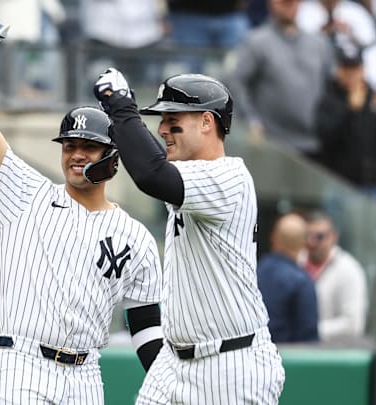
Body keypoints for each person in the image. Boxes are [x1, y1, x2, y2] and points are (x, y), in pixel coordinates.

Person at [0, 16, 164, 403]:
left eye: (88, 146)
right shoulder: (24, 194)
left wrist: (169, 385)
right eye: (69, 145)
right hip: (21, 365)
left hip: (86, 374)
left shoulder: (135, 236)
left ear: (113, 157)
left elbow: (145, 325)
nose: (76, 154)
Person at [93, 69, 284, 403]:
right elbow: (155, 164)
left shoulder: (228, 177)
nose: (163, 129)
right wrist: (124, 114)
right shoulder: (189, 171)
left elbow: (151, 174)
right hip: (176, 363)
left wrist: (122, 107)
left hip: (229, 365)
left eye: (172, 118)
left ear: (207, 122)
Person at [226, 0, 333, 158]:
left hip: (314, 142)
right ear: (271, 3)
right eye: (283, 2)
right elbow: (236, 83)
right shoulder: (256, 41)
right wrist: (251, 120)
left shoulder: (319, 43)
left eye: (293, 2)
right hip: (272, 142)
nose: (289, 4)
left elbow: (331, 87)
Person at [315, 40, 376, 199]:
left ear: (363, 70)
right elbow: (326, 138)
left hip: (372, 182)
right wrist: (350, 111)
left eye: (355, 68)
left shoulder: (374, 97)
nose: (351, 74)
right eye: (346, 68)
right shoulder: (328, 98)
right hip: (338, 181)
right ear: (338, 70)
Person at [300, 212, 368, 341]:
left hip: (334, 355)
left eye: (319, 236)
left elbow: (354, 325)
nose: (312, 242)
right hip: (298, 349)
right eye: (308, 236)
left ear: (333, 237)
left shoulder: (349, 270)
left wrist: (311, 329)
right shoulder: (297, 261)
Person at [258, 213, 319, 343]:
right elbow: (309, 338)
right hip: (290, 360)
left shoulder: (255, 272)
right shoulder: (302, 283)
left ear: (273, 237)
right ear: (304, 242)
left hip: (256, 356)